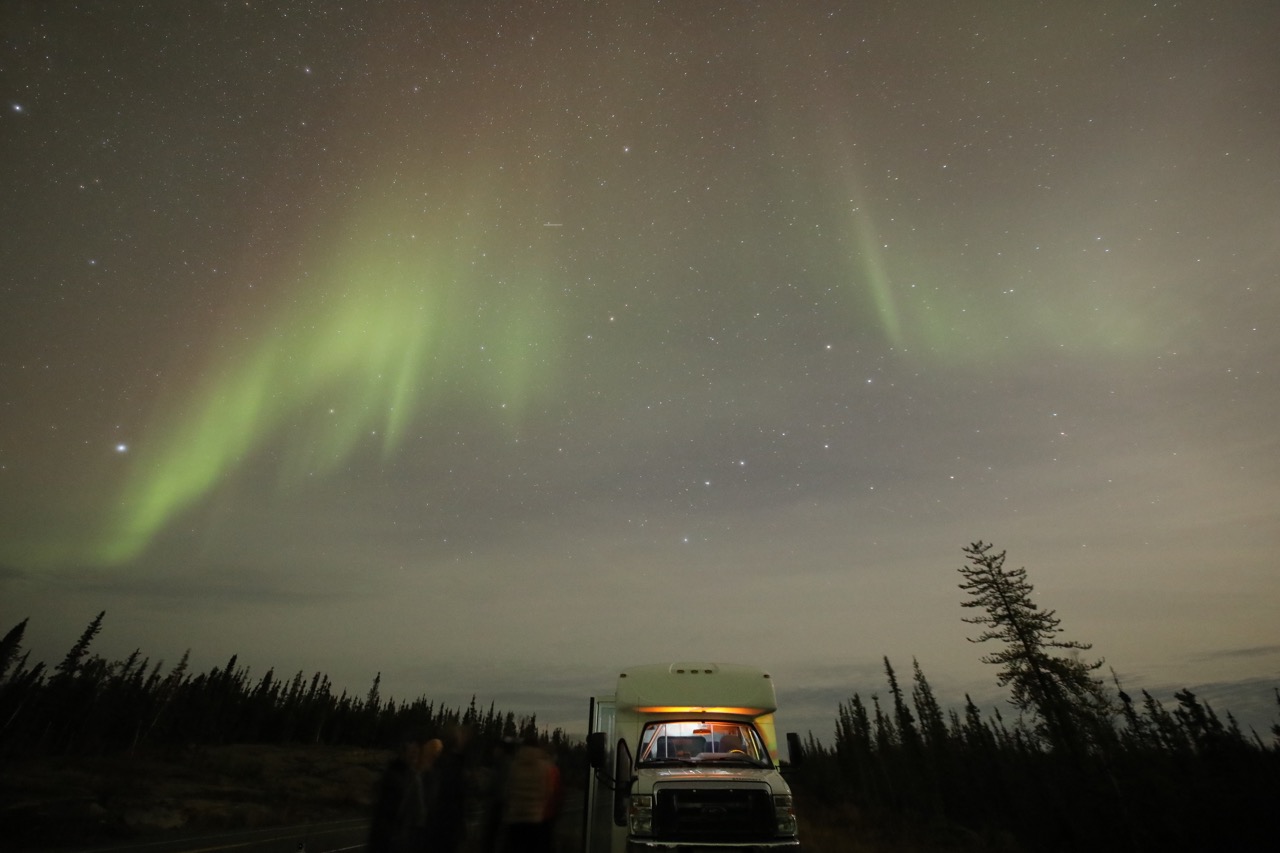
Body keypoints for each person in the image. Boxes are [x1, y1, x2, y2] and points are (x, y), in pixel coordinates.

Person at [368, 731, 443, 853]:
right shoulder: (408, 776)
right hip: (393, 837)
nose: (414, 755)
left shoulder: (407, 774)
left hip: (392, 836)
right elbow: (419, 814)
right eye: (412, 752)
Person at [501, 739, 558, 853]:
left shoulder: (514, 765)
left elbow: (507, 790)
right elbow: (549, 791)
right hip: (534, 818)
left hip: (515, 817)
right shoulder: (544, 766)